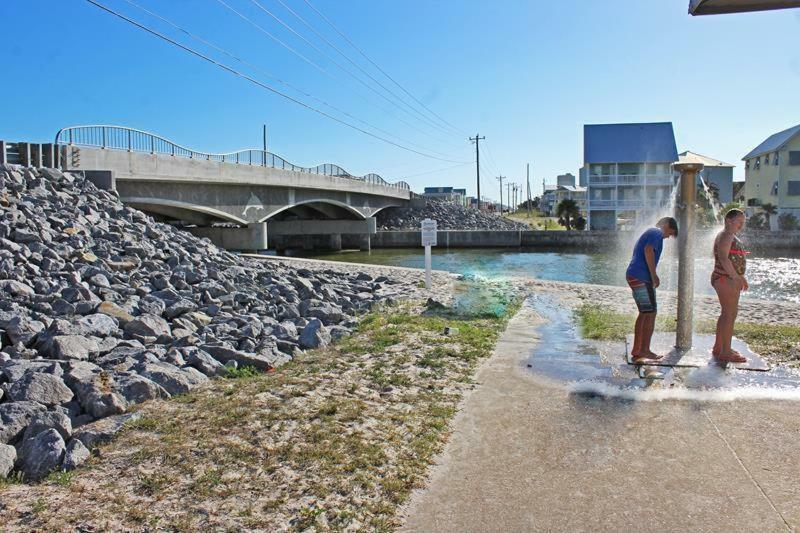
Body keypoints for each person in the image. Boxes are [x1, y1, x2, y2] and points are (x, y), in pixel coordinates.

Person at [625, 217, 678, 363]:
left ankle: (637, 349)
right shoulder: (656, 232)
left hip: (634, 275)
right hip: (642, 277)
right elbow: (648, 250)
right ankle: (644, 350)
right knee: (651, 313)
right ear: (666, 226)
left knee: (644, 313)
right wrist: (654, 275)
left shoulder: (651, 232)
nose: (668, 237)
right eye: (670, 233)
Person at [711, 209, 749, 363]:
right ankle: (725, 352)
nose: (741, 225)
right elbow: (723, 258)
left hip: (727, 278)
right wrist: (736, 277)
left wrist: (740, 277)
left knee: (727, 313)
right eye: (739, 221)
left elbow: (732, 259)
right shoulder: (726, 235)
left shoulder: (728, 235)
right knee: (729, 314)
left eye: (743, 222)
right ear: (728, 220)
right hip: (724, 279)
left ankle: (720, 347)